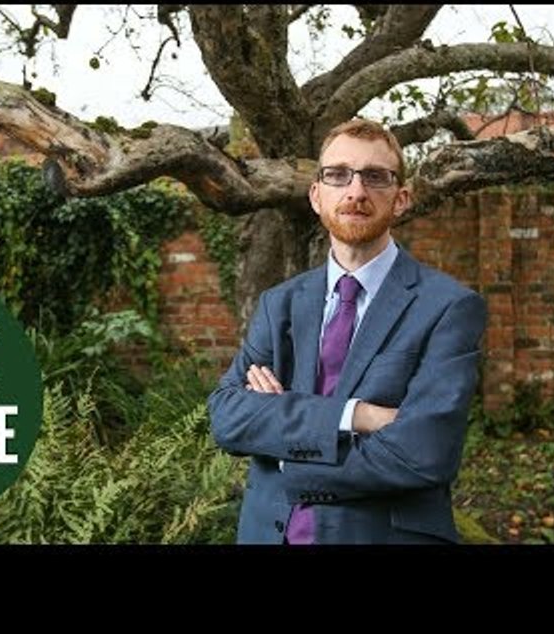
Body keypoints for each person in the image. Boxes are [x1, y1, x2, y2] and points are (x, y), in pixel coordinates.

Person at [208, 118, 487, 544]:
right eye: (338, 175)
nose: (356, 191)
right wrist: (357, 415)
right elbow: (228, 417)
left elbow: (424, 451)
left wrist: (286, 452)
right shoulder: (279, 304)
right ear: (317, 196)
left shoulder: (448, 307)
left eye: (375, 177)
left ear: (401, 199)